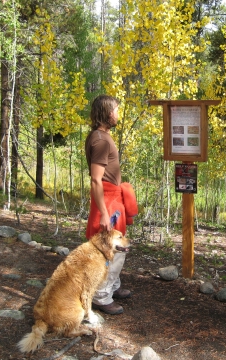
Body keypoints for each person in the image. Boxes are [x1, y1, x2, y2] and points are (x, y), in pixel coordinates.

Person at [85, 95, 135, 315]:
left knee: (117, 246)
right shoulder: (101, 140)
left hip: (112, 198)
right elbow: (96, 179)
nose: (117, 114)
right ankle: (101, 296)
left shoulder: (100, 136)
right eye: (115, 110)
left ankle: (112, 287)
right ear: (106, 112)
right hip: (107, 200)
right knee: (112, 248)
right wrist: (104, 213)